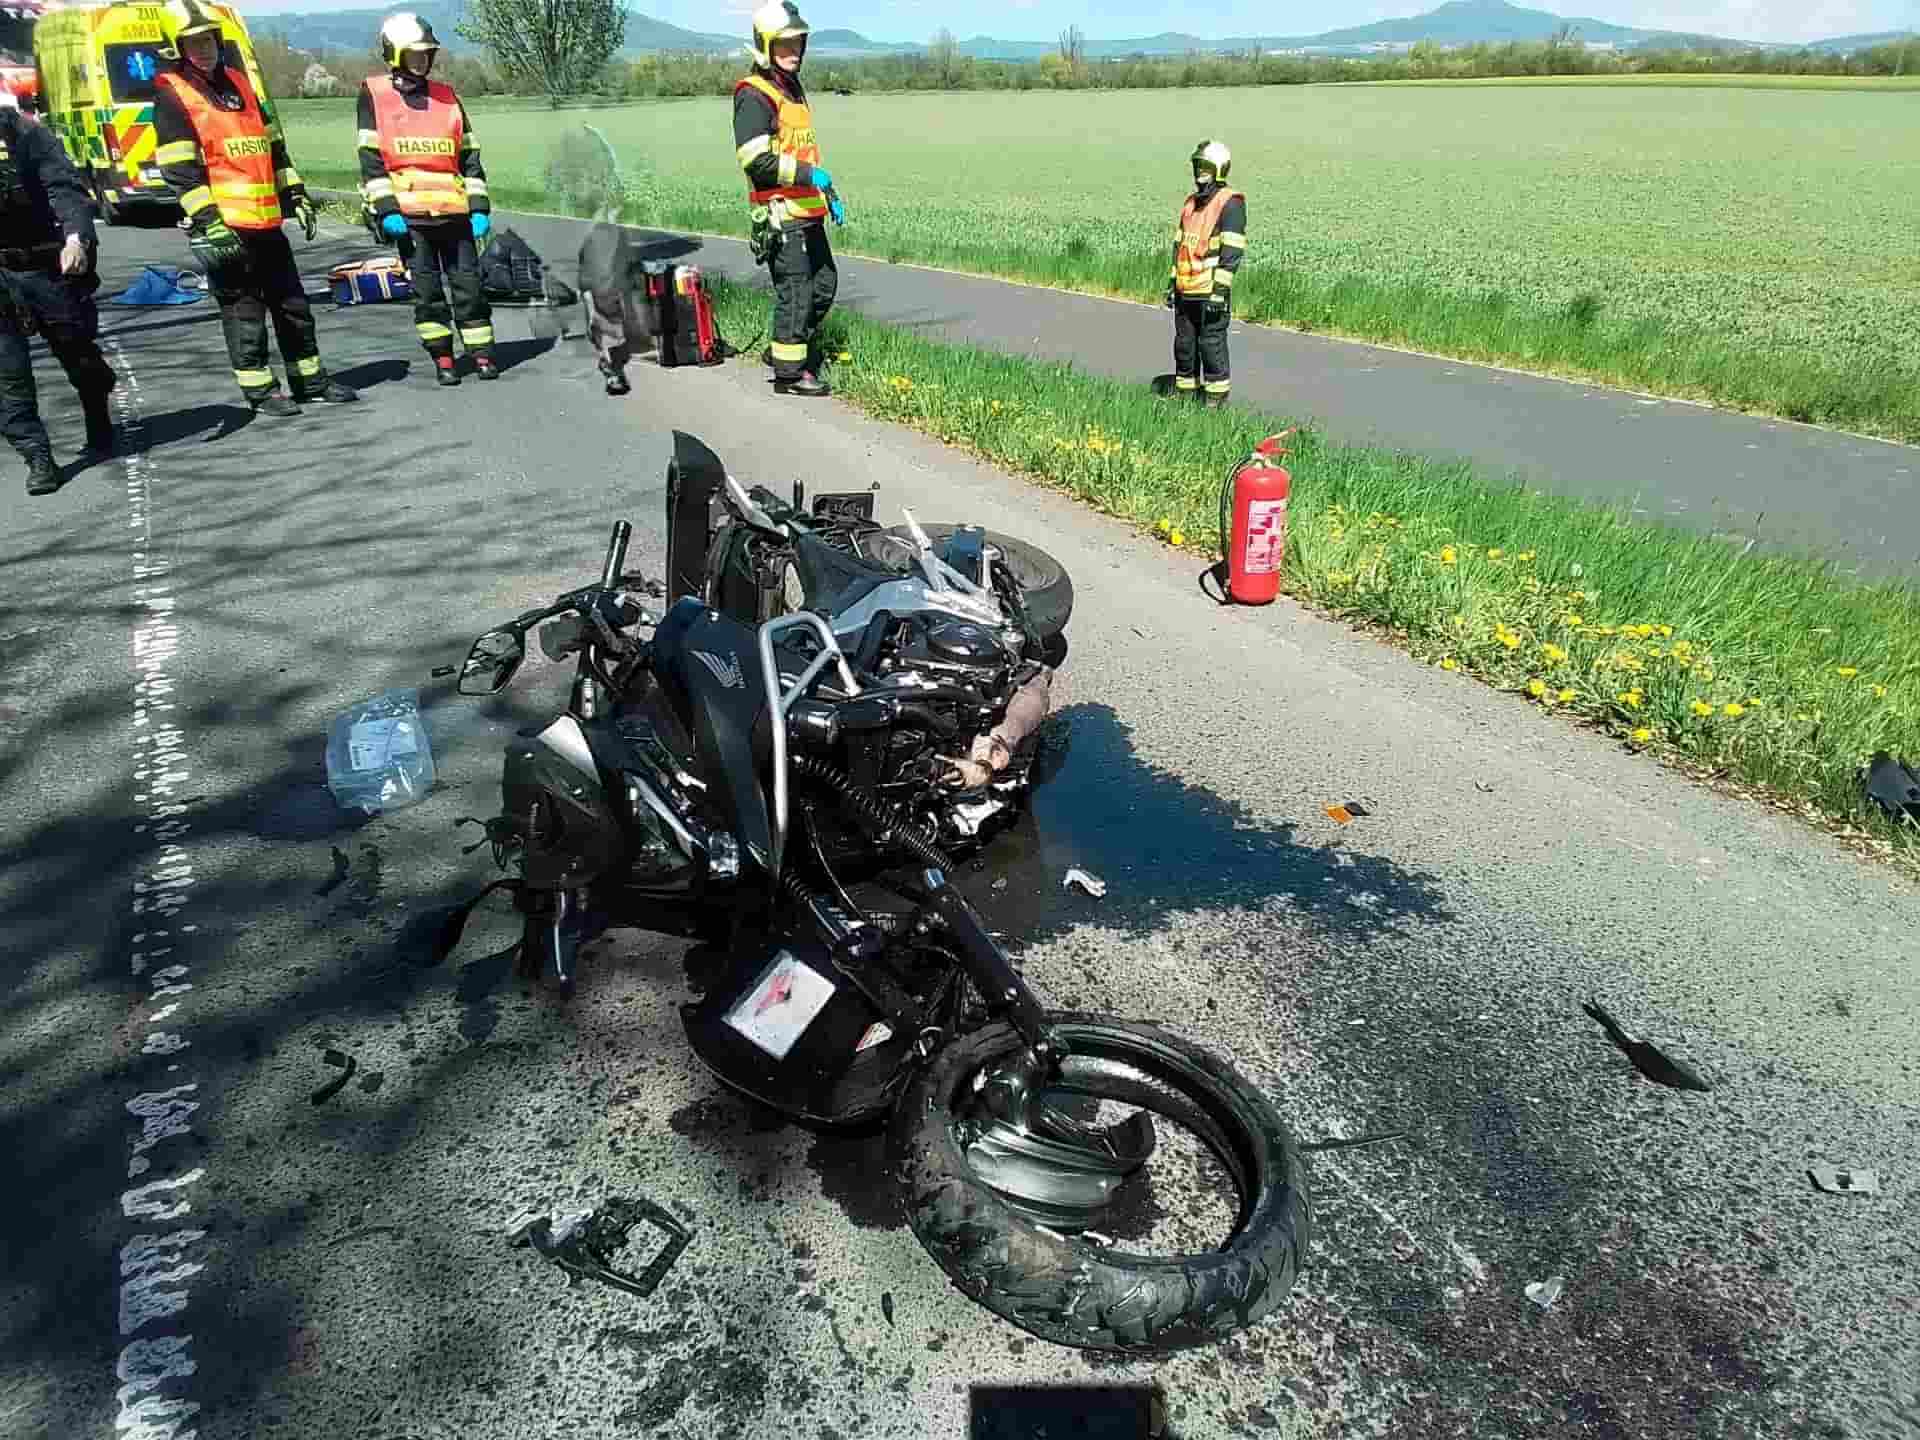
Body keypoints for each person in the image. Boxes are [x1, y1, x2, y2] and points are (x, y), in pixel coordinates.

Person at [153, 0, 358, 416]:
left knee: (293, 306)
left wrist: (295, 194)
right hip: (226, 228)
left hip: (266, 223)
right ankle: (262, 392)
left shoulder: (241, 83)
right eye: (193, 43)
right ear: (178, 48)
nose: (203, 49)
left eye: (208, 40)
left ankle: (309, 382)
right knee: (244, 313)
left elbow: (273, 147)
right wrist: (209, 222)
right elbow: (180, 171)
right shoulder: (172, 94)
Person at [358, 13, 496, 387]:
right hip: (409, 217)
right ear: (395, 54)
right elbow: (371, 160)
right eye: (414, 54)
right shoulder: (374, 95)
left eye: (426, 54)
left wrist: (479, 208)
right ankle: (443, 358)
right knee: (427, 293)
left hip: (455, 214)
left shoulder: (448, 97)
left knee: (469, 287)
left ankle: (482, 354)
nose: (421, 60)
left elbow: (469, 156)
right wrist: (387, 210)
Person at [0, 89, 117, 494]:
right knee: (8, 377)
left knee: (78, 352)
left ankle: (97, 409)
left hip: (46, 263)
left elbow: (64, 188)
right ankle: (37, 457)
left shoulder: (28, 135)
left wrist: (75, 238)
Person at [734, 0, 844, 398]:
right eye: (784, 43)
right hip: (780, 214)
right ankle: (791, 374)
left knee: (824, 285)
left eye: (798, 42)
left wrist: (827, 192)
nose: (794, 50)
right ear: (765, 45)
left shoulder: (791, 88)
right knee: (796, 292)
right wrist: (810, 175)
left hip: (807, 210)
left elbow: (799, 149)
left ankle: (784, 347)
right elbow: (756, 161)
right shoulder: (753, 94)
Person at [1165, 139, 1246, 409]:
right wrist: (1172, 283)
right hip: (1185, 290)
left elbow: (1231, 253)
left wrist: (1219, 293)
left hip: (1210, 292)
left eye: (1206, 167)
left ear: (1219, 169)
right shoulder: (1190, 204)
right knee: (1184, 347)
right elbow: (1180, 247)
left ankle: (1215, 402)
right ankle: (1184, 397)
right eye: (1198, 166)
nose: (1200, 172)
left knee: (1211, 346)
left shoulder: (1230, 203)